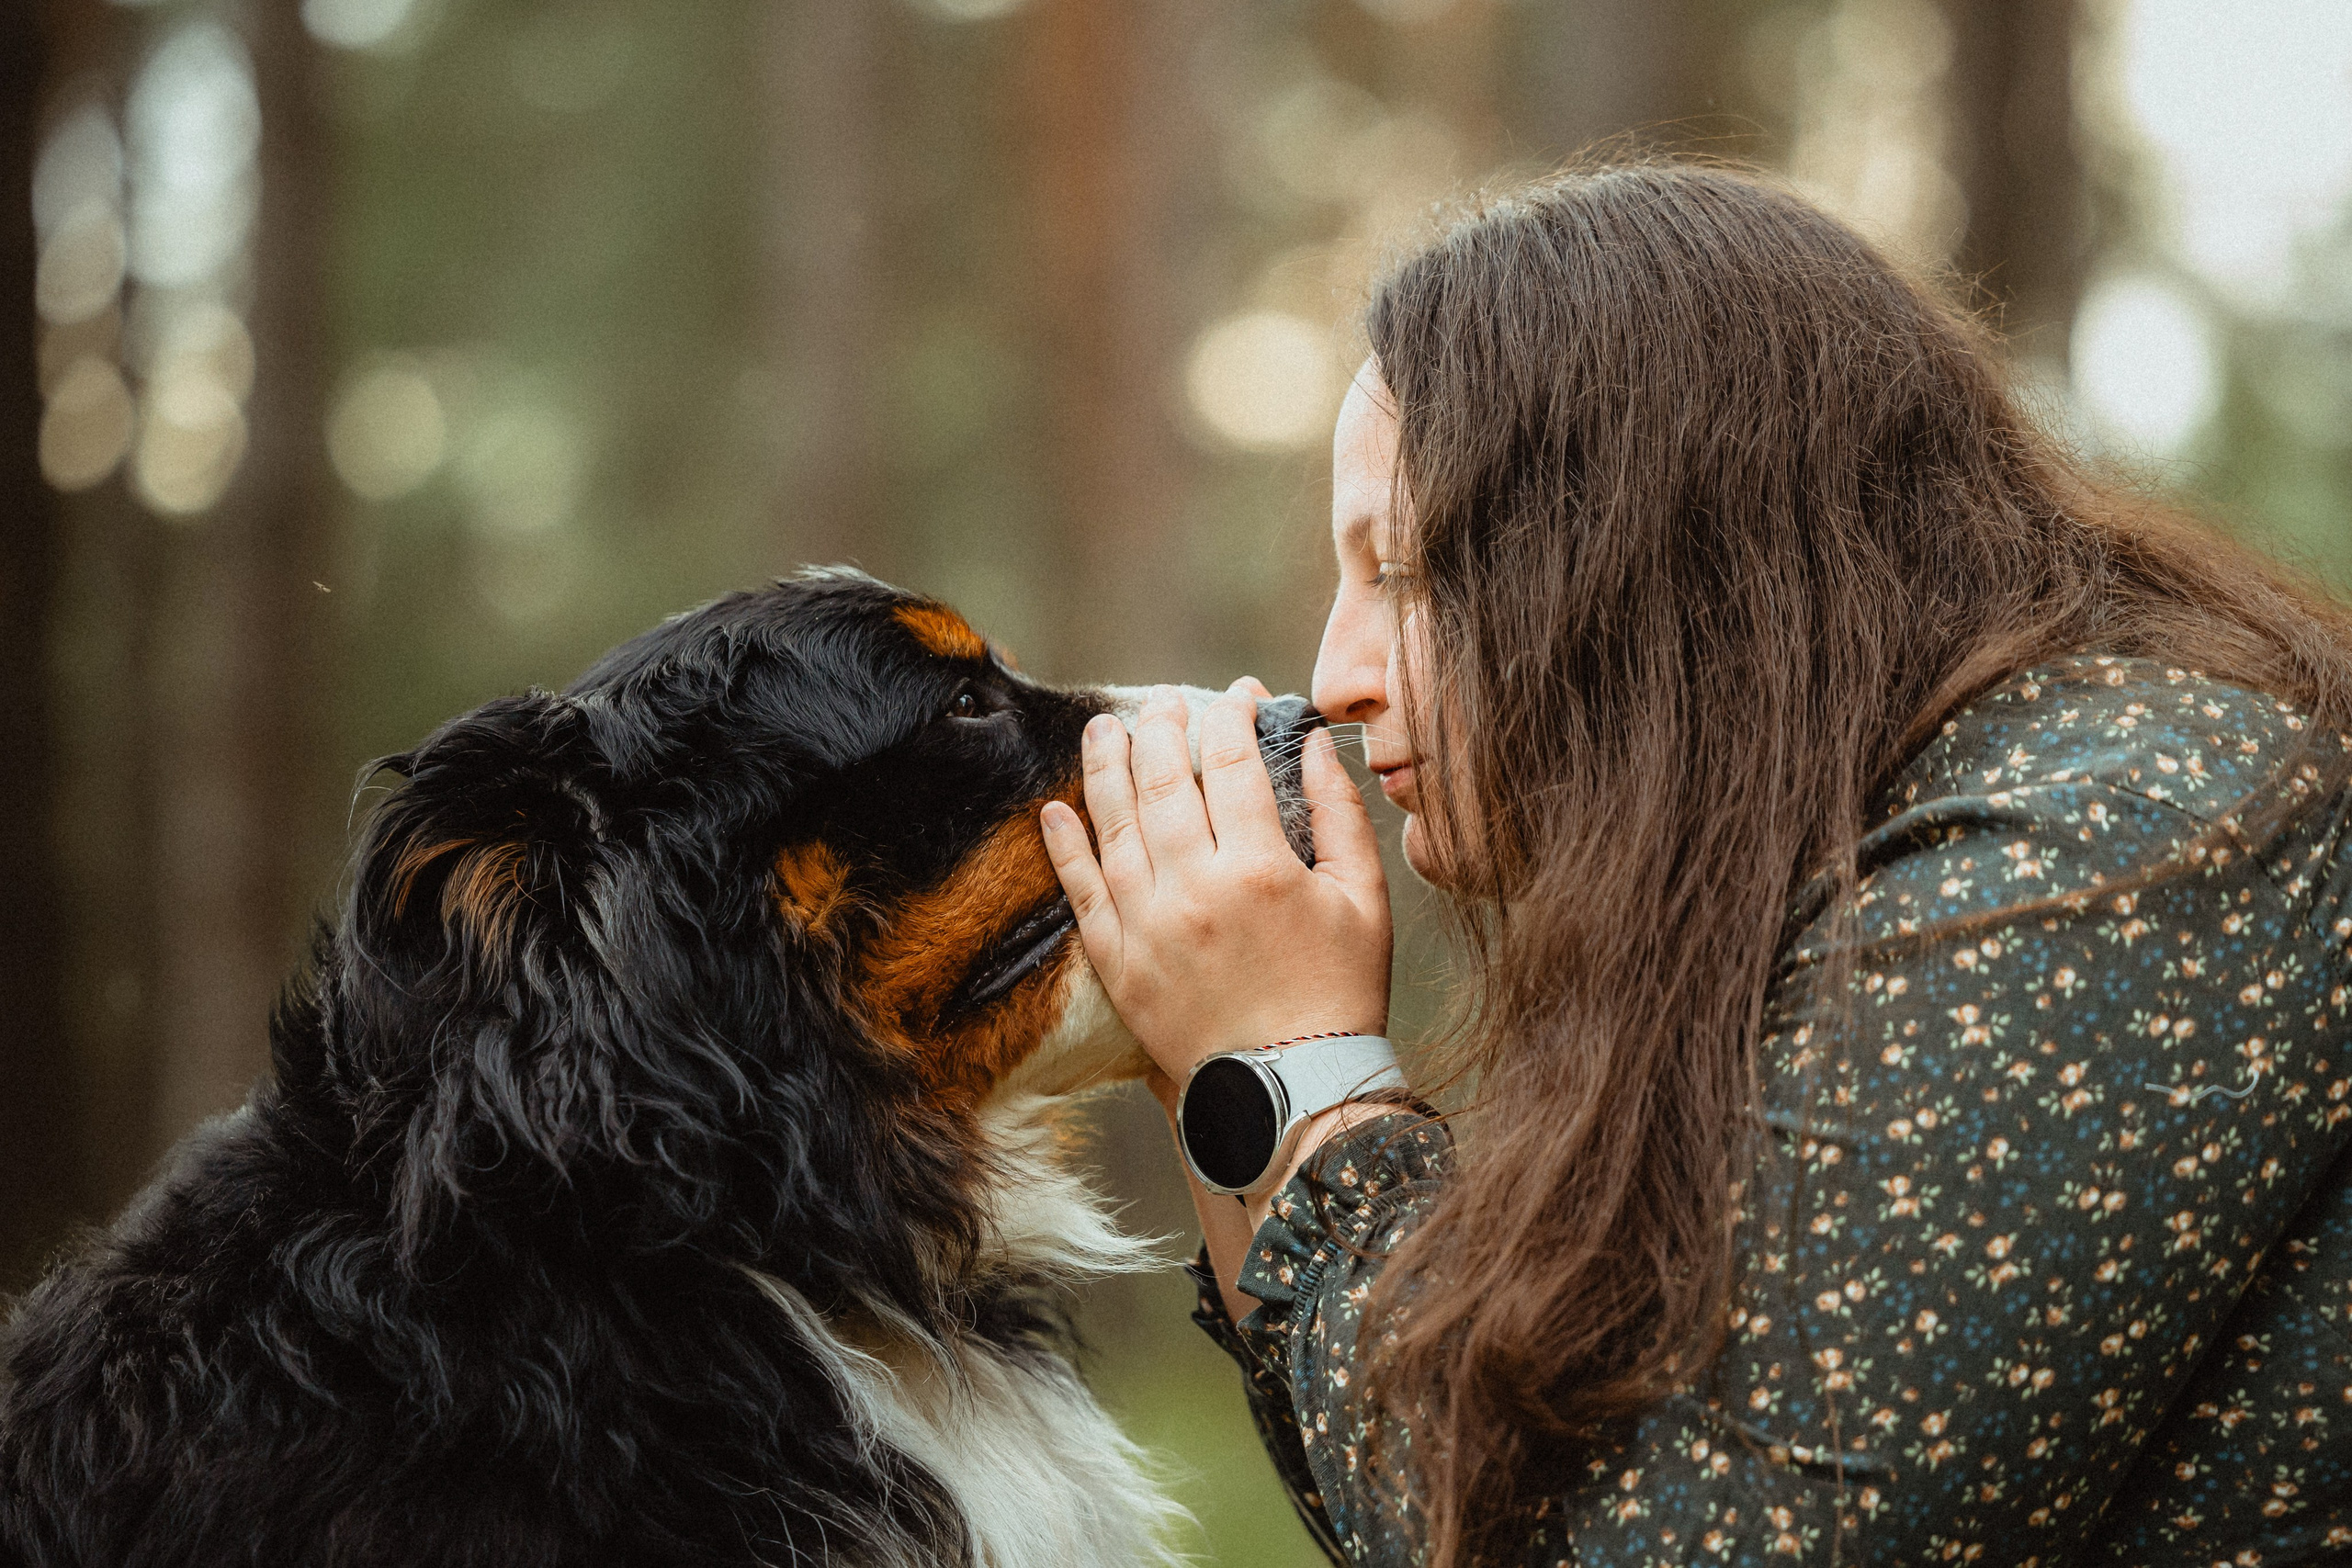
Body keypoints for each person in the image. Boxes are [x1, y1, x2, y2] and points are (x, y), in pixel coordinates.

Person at [1039, 162, 2352, 1566]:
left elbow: (1676, 1547)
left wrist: (1293, 1069)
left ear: (1652, 552)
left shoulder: (2137, 833)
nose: (1334, 679)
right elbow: (1430, 1520)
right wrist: (1229, 1074)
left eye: (1408, 570)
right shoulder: (1803, 889)